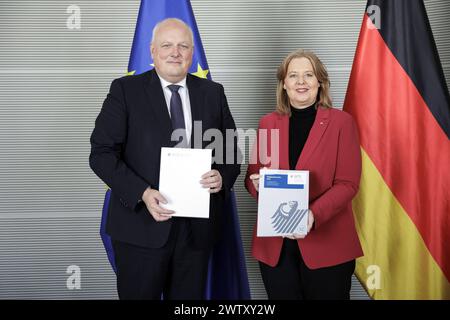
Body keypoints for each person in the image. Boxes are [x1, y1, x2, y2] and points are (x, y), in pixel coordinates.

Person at [89, 18, 240, 300]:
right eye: (167, 45)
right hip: (140, 228)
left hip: (196, 233)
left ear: (192, 53)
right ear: (152, 51)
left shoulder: (212, 93)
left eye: (183, 46)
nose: (175, 52)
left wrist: (222, 176)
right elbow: (101, 154)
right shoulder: (125, 91)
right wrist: (143, 193)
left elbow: (231, 151)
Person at [245, 49, 363, 300]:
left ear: (320, 82)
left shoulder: (342, 123)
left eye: (308, 75)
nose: (301, 82)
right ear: (284, 84)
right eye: (293, 76)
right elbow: (251, 178)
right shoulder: (268, 123)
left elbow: (348, 183)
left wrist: (311, 215)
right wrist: (259, 186)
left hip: (327, 243)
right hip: (276, 246)